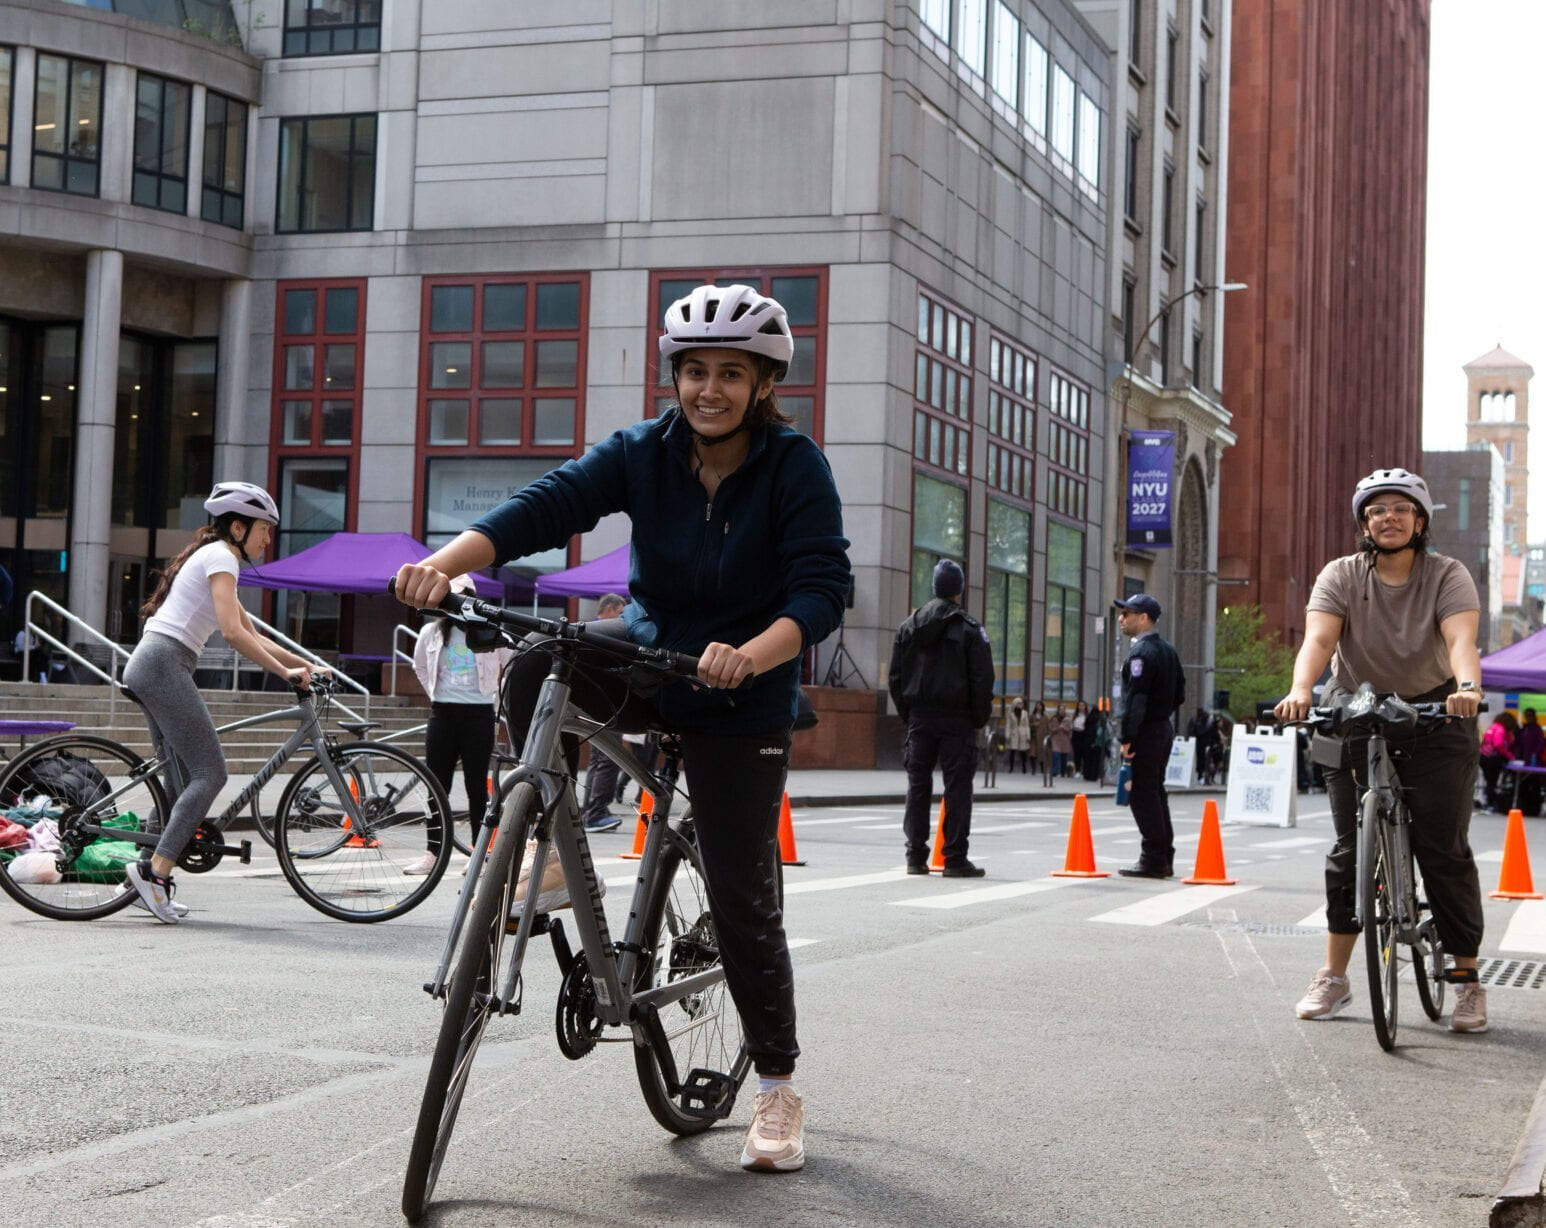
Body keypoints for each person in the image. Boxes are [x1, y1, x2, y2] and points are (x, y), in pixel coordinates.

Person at [394, 283, 849, 1174]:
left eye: (729, 373)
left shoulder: (796, 467)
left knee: (741, 893)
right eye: (693, 371)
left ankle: (777, 1091)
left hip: (741, 692)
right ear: (674, 377)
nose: (707, 389)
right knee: (536, 663)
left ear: (763, 385)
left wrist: (752, 655)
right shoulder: (643, 451)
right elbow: (549, 504)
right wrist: (441, 564)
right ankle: (547, 840)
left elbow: (821, 592)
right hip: (650, 656)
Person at [1275, 466, 1489, 1034]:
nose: (1387, 518)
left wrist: (1467, 689)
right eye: (1376, 510)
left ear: (1419, 521)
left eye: (1399, 509)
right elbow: (1319, 641)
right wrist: (1301, 691)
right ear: (1363, 523)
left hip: (1436, 712)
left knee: (1442, 848)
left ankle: (1465, 980)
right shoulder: (1342, 575)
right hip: (1355, 710)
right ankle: (1334, 977)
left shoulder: (1448, 574)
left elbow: (1460, 639)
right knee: (1350, 850)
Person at [121, 482, 324, 922]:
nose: (268, 539)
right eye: (264, 529)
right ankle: (156, 875)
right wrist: (284, 673)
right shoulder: (221, 557)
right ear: (238, 526)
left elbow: (252, 633)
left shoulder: (215, 556)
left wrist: (307, 663)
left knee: (178, 787)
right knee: (210, 774)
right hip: (162, 665)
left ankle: (140, 882)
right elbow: (232, 634)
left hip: (157, 663)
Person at [889, 559, 995, 878]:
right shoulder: (970, 628)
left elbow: (895, 677)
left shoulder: (909, 626)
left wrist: (908, 713)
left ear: (934, 587)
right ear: (959, 591)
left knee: (918, 786)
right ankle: (954, 858)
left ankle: (915, 857)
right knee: (958, 788)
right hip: (957, 719)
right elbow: (983, 678)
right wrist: (978, 717)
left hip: (920, 717)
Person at [408, 573, 513, 873]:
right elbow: (420, 666)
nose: (453, 605)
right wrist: (436, 692)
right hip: (443, 713)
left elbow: (511, 659)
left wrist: (496, 692)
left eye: (458, 597)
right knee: (436, 785)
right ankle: (433, 852)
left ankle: (478, 853)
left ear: (471, 599)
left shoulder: (489, 630)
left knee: (476, 786)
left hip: (479, 715)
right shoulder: (432, 632)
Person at [1113, 594, 1185, 877]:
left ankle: (1153, 857)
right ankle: (1163, 855)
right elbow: (1179, 693)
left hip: (1145, 730)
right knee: (1155, 791)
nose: (1121, 618)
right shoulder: (1167, 650)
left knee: (1142, 794)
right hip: (1162, 727)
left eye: (1127, 614)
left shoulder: (1141, 653)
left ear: (1143, 618)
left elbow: (1135, 699)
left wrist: (1127, 737)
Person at [577, 592, 629, 832]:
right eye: (620, 612)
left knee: (599, 761)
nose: (623, 617)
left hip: (593, 707)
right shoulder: (606, 634)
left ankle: (591, 811)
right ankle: (596, 812)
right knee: (608, 760)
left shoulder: (588, 630)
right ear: (608, 610)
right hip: (606, 706)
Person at [1479, 711, 1519, 812]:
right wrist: (1510, 756)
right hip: (1492, 759)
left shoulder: (1493, 727)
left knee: (1489, 782)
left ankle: (1488, 802)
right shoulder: (1500, 729)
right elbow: (1498, 744)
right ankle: (1490, 804)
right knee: (1492, 783)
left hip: (1483, 756)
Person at [1005, 697, 1032, 773]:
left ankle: (1024, 768)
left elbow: (1027, 725)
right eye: (1019, 703)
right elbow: (1008, 725)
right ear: (1015, 704)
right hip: (1014, 733)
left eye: (1022, 703)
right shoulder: (1011, 713)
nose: (1021, 705)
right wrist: (1007, 735)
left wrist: (1028, 735)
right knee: (1012, 751)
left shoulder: (1025, 713)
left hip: (1023, 733)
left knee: (1023, 752)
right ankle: (1011, 768)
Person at [1048, 706, 1073, 778]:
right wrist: (1058, 728)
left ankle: (1063, 772)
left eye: (1063, 710)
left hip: (1065, 740)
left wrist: (1064, 728)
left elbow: (1070, 729)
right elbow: (1051, 729)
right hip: (1055, 739)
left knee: (1064, 757)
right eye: (1060, 710)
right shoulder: (1054, 719)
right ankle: (1055, 771)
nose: (1061, 711)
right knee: (1055, 755)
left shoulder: (1068, 719)